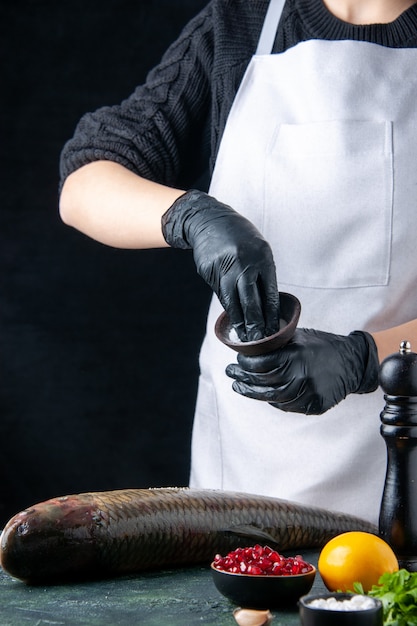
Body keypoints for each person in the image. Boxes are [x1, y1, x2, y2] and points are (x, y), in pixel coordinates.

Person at [59, 0, 417, 525]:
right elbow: (86, 180)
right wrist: (190, 216)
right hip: (243, 486)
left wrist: (367, 361)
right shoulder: (240, 26)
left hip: (403, 481)